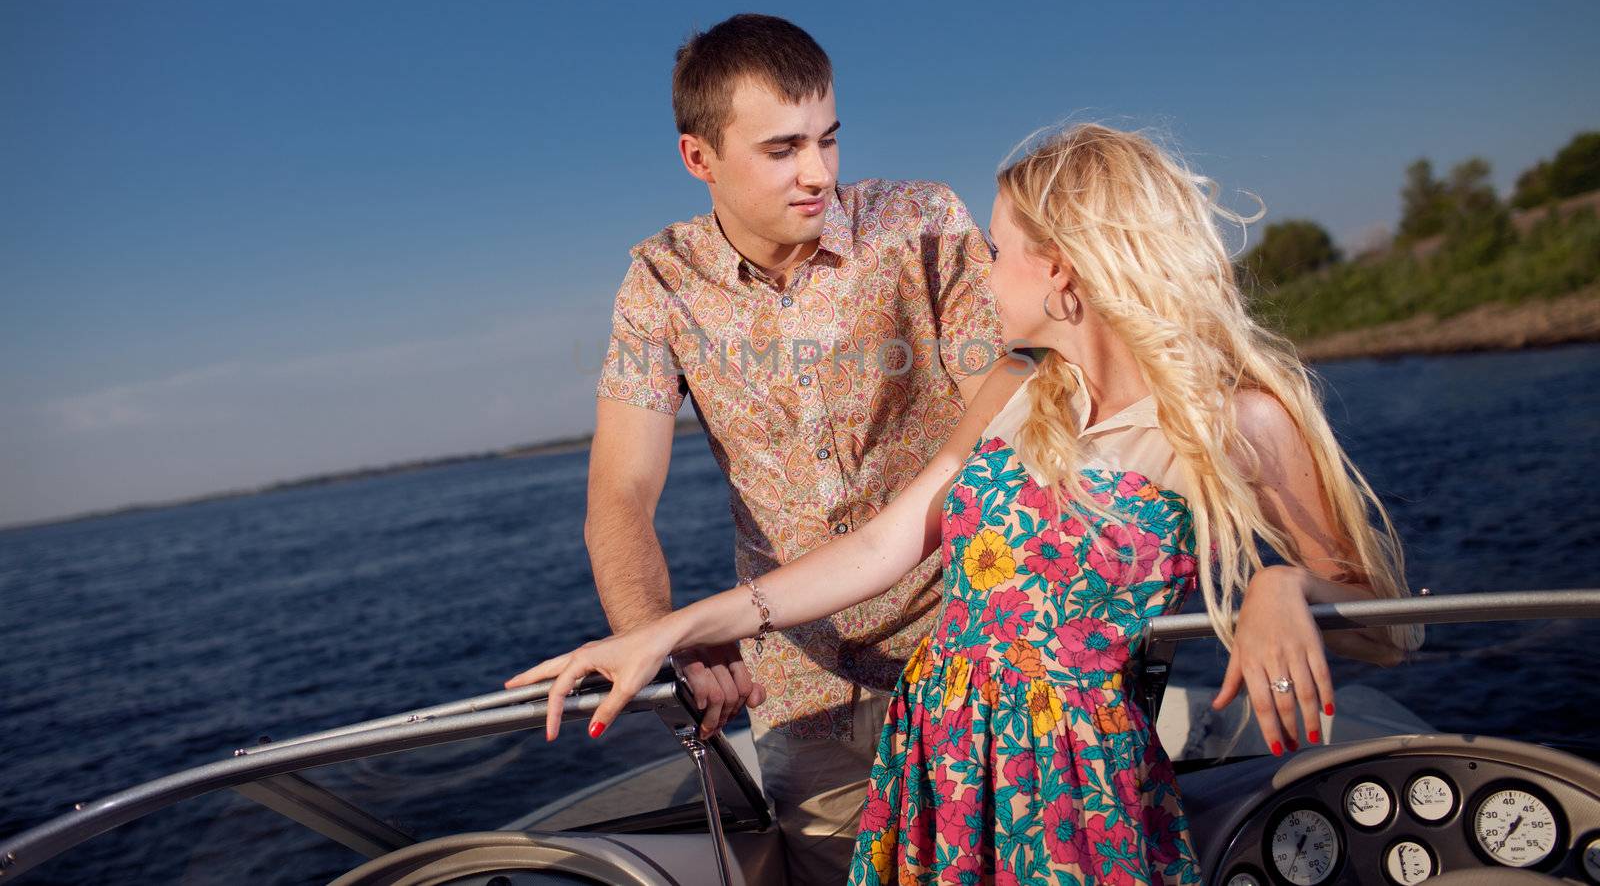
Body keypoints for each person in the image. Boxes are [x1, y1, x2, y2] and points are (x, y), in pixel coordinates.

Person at [507, 123, 1414, 885]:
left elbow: (1385, 624)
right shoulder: (1018, 393)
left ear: (1063, 274)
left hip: (1072, 793)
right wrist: (668, 629)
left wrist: (1282, 587)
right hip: (934, 770)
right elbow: (881, 545)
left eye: (998, 250)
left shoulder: (1235, 419)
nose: (979, 272)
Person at [506, 13, 1006, 884]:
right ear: (699, 157)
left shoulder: (924, 223)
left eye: (828, 139)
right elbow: (620, 494)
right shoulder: (659, 283)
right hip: (804, 690)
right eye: (782, 149)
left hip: (972, 650)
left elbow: (1005, 429)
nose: (818, 173)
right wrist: (659, 637)